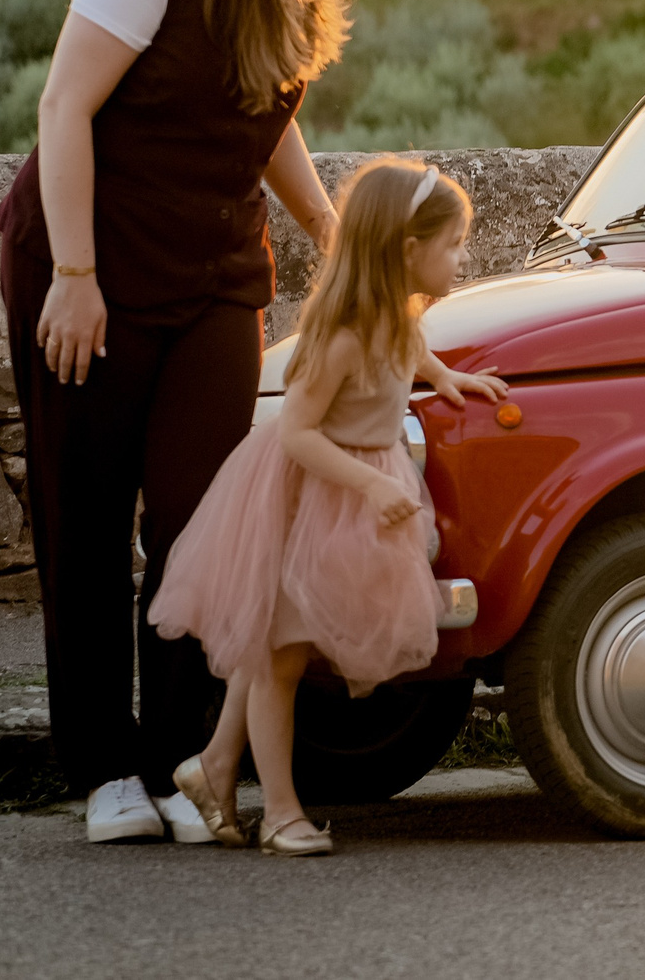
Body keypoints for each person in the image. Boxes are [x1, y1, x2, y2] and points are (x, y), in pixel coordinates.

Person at [0, 0, 352, 845]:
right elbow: (65, 105)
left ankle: (181, 764)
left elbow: (264, 109)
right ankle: (104, 770)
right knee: (88, 513)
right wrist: (73, 275)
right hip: (91, 267)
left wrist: (330, 232)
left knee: (203, 525)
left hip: (211, 273)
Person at [152, 159, 508, 855]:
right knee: (281, 658)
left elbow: (414, 353)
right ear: (408, 251)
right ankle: (282, 812)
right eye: (454, 244)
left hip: (347, 500)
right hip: (310, 495)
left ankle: (214, 765)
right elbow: (298, 432)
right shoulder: (345, 332)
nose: (462, 257)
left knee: (275, 642)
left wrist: (447, 375)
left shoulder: (397, 314)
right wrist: (374, 484)